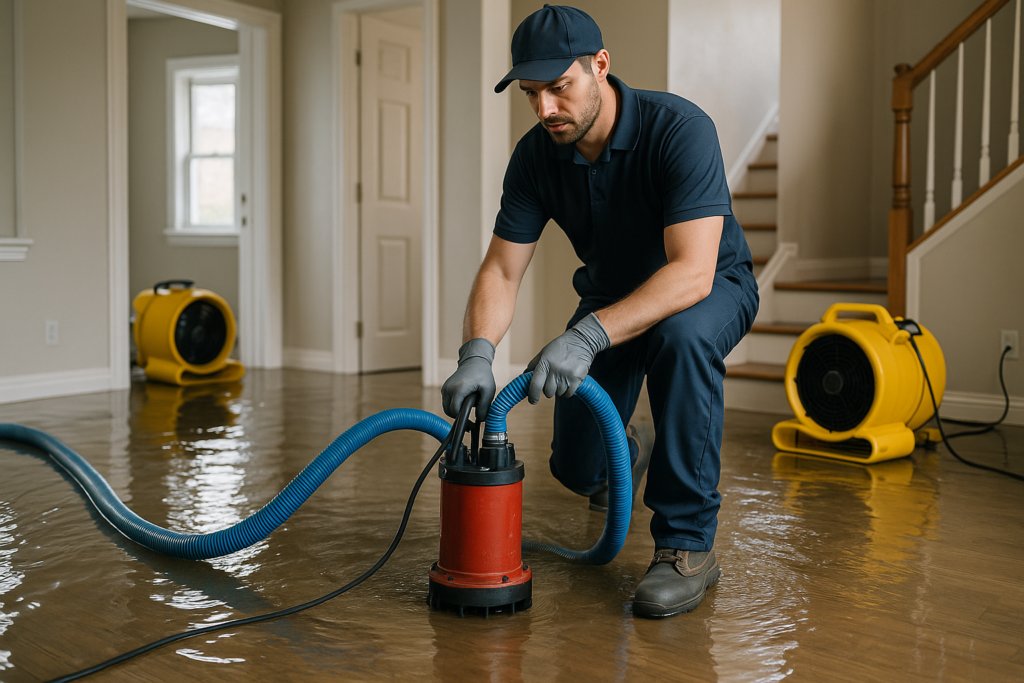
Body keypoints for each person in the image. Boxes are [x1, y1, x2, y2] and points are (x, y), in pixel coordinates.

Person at [440, 4, 758, 618]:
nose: (545, 110)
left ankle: (686, 545)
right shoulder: (536, 156)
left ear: (600, 67)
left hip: (709, 284)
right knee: (578, 467)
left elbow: (690, 271)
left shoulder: (679, 129)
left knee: (683, 339)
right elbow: (502, 269)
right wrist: (477, 352)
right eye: (532, 94)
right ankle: (626, 452)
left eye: (559, 88)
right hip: (612, 295)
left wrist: (587, 337)